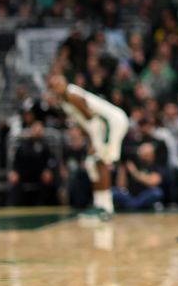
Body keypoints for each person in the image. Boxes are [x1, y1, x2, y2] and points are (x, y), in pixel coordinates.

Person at [49, 74, 129, 221]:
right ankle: (99, 204)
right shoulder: (64, 100)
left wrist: (95, 141)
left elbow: (91, 117)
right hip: (100, 127)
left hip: (110, 124)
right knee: (92, 163)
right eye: (54, 85)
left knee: (101, 161)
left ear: (65, 82)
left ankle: (106, 209)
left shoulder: (72, 95)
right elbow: (85, 123)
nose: (57, 86)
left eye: (59, 82)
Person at [8, 121, 58, 206]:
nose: (38, 132)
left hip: (40, 175)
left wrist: (48, 170)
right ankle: (15, 206)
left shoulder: (45, 146)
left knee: (50, 183)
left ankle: (45, 205)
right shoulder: (23, 145)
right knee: (14, 185)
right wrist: (14, 172)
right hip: (24, 174)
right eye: (36, 129)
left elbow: (51, 161)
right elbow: (17, 161)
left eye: (40, 129)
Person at [112, 142, 165, 210]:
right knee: (112, 191)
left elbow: (153, 182)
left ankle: (132, 206)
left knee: (157, 192)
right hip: (129, 194)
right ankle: (134, 205)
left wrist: (134, 172)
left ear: (152, 154)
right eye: (142, 151)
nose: (143, 155)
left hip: (144, 194)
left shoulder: (155, 165)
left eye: (147, 153)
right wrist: (122, 169)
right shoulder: (132, 162)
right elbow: (120, 186)